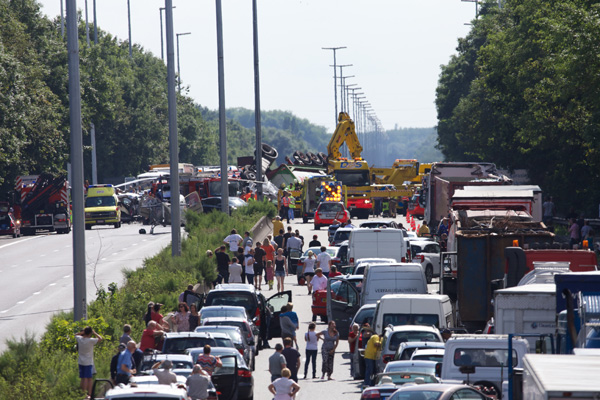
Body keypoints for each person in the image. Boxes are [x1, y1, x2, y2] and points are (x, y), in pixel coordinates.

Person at [75, 326, 102, 396]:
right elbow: (100, 338)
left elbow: (75, 335)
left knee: (83, 378)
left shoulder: (79, 339)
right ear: (90, 333)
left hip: (81, 361)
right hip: (88, 362)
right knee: (88, 379)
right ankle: (88, 394)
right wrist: (95, 332)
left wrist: (82, 332)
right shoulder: (91, 340)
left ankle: (82, 393)